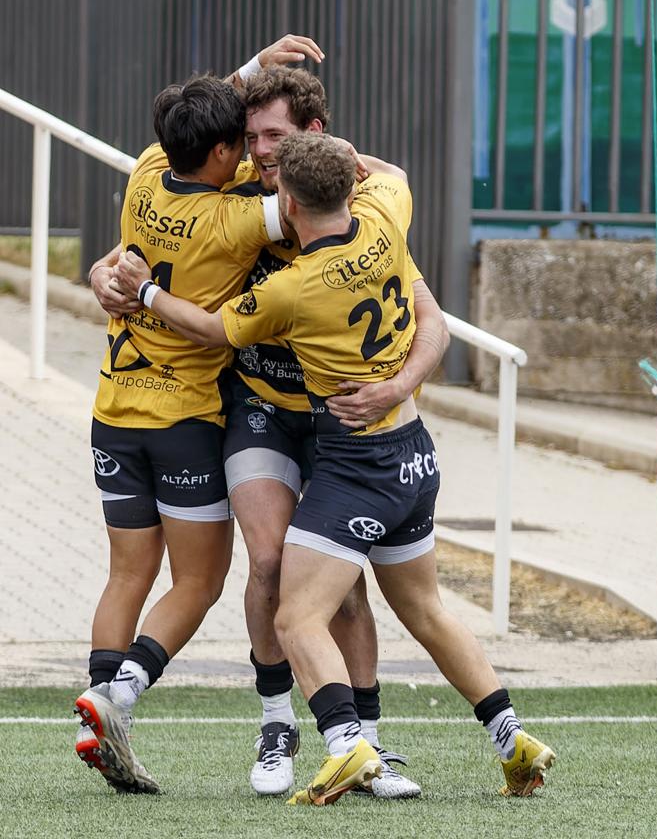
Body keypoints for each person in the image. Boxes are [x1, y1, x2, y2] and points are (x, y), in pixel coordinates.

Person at [112, 131, 556, 804]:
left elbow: (210, 329)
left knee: (296, 618)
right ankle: (512, 737)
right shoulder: (385, 214)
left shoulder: (292, 289)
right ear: (353, 184)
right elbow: (395, 168)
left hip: (357, 464)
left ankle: (348, 746)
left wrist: (144, 291)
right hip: (415, 455)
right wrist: (343, 155)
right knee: (429, 610)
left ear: (286, 202)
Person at [74, 72, 291, 795]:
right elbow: (306, 203)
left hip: (112, 410)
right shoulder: (237, 220)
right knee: (197, 582)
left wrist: (252, 67)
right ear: (226, 151)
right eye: (244, 146)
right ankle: (120, 693)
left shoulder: (145, 171)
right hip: (186, 423)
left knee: (126, 574)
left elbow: (197, 110)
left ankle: (97, 718)